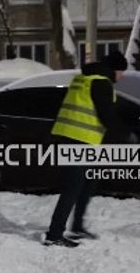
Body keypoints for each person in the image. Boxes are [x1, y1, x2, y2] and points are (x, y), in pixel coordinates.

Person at [44, 51, 131, 247]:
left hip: (72, 137)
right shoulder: (101, 83)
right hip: (78, 140)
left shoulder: (83, 78)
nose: (123, 76)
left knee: (87, 183)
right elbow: (106, 114)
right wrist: (125, 133)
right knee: (72, 188)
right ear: (115, 69)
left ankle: (77, 227)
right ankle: (54, 234)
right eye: (122, 71)